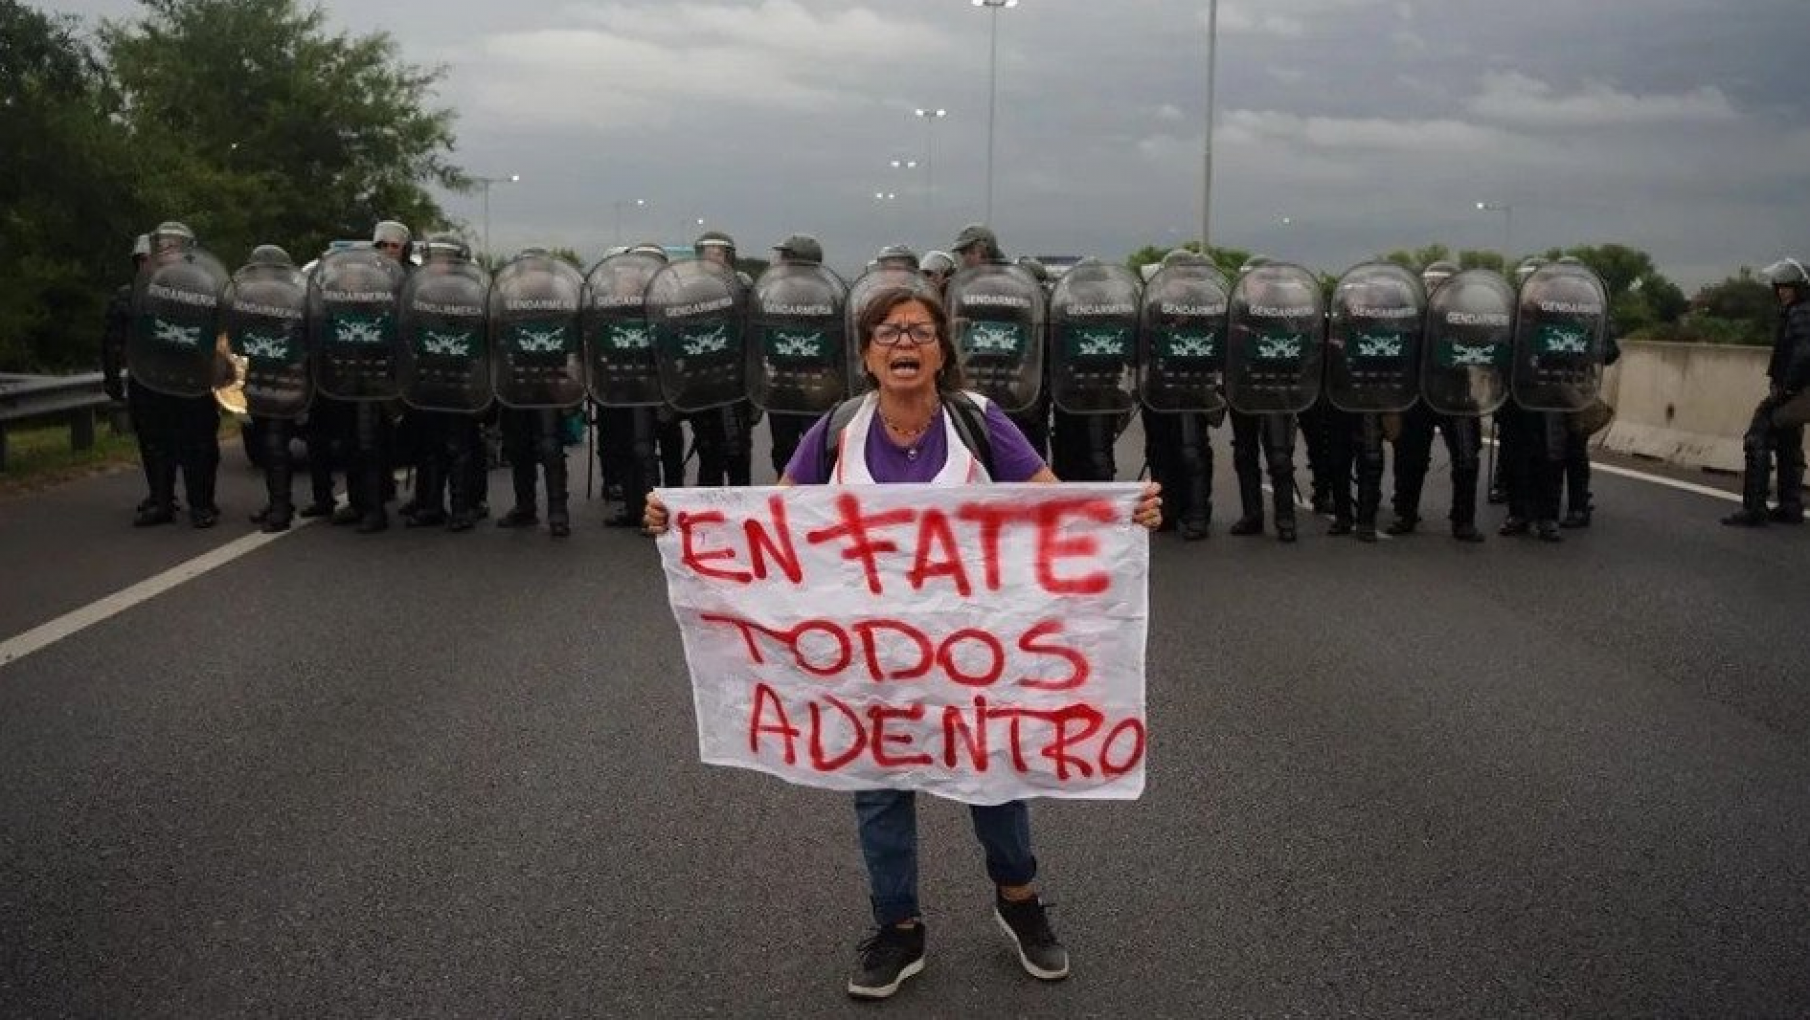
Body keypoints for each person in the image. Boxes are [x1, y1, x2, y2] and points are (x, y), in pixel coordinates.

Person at [643, 286, 1161, 1000]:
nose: (904, 344)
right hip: (873, 661)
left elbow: (1052, 504)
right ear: (866, 353)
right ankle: (899, 927)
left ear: (942, 350)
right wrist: (684, 523)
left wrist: (1119, 515)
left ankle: (1019, 901)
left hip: (977, 654)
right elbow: (774, 519)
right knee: (879, 787)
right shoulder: (837, 430)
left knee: (996, 771)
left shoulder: (979, 423)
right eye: (887, 333)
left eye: (919, 331)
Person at [1389, 260, 1486, 542]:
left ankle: (1463, 520)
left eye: (1443, 285)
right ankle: (1405, 513)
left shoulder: (1470, 318)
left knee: (1467, 459)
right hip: (1418, 394)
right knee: (1409, 458)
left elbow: (1488, 349)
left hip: (1456, 395)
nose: (1436, 290)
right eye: (1431, 284)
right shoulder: (1410, 316)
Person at [1723, 258, 1810, 527]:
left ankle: (1754, 508)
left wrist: (1786, 390)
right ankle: (1790, 505)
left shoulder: (1800, 313)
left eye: (1788, 286)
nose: (1782, 291)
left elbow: (1803, 354)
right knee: (1787, 440)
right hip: (1798, 388)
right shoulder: (1798, 310)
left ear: (1799, 289)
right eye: (1779, 286)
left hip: (1799, 390)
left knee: (1758, 434)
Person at [103, 234, 168, 517]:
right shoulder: (125, 297)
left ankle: (201, 502)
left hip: (177, 380)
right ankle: (160, 496)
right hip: (143, 378)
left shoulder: (180, 295)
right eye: (142, 260)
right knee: (150, 440)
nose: (147, 264)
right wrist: (113, 379)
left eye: (150, 259)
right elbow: (112, 342)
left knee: (193, 441)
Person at [689, 230, 756, 486]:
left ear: (729, 256)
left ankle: (742, 507)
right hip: (703, 372)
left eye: (720, 251)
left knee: (738, 446)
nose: (715, 256)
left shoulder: (742, 284)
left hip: (735, 375)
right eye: (709, 251)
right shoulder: (690, 288)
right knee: (708, 448)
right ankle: (708, 508)